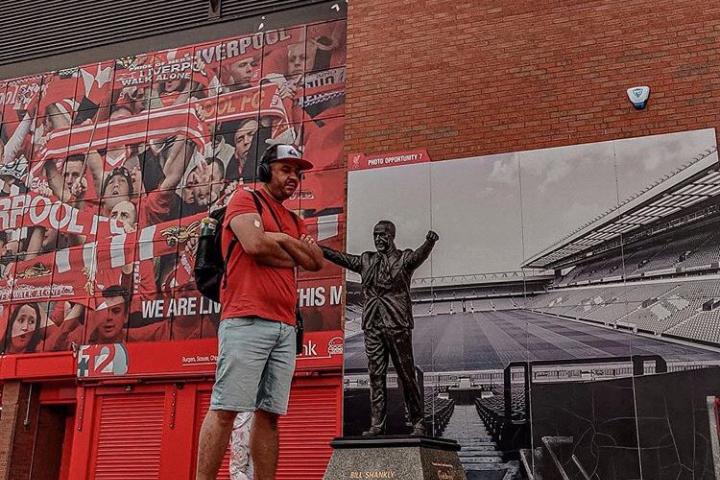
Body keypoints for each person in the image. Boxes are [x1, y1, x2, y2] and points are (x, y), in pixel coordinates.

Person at [195, 144, 324, 480]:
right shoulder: (245, 199)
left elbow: (315, 262)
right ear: (267, 170)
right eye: (286, 169)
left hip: (285, 326)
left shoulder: (295, 220)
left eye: (298, 172)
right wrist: (289, 246)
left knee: (269, 415)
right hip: (246, 318)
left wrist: (277, 237)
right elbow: (253, 245)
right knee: (226, 408)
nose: (293, 177)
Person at [321, 222, 439, 436]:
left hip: (397, 324)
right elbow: (343, 258)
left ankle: (418, 422)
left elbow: (418, 257)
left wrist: (429, 242)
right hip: (372, 326)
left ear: (391, 236)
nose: (377, 239)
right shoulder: (367, 259)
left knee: (406, 375)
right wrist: (319, 250)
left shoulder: (404, 258)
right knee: (376, 375)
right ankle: (377, 425)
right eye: (375, 235)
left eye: (381, 235)